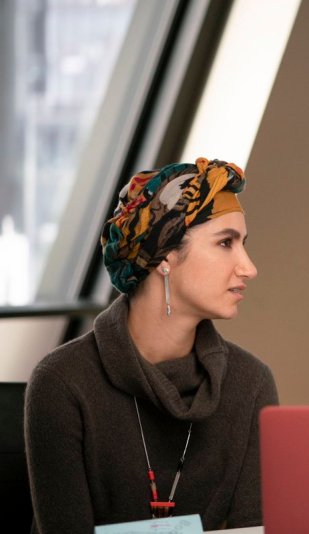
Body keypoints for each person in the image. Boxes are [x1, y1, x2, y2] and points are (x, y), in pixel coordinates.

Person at [25, 158, 278, 533]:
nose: (249, 267)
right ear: (165, 256)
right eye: (226, 243)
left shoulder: (251, 383)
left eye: (242, 243)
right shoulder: (63, 383)